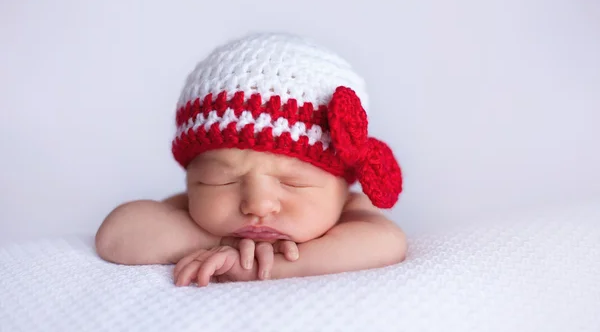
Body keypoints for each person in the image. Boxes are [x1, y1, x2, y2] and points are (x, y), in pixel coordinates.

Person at [95, 32, 407, 287]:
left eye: (292, 182)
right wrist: (220, 242)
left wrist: (263, 268)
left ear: (342, 185)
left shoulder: (351, 211)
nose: (257, 205)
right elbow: (116, 235)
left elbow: (387, 241)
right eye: (222, 180)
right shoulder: (189, 211)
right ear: (191, 177)